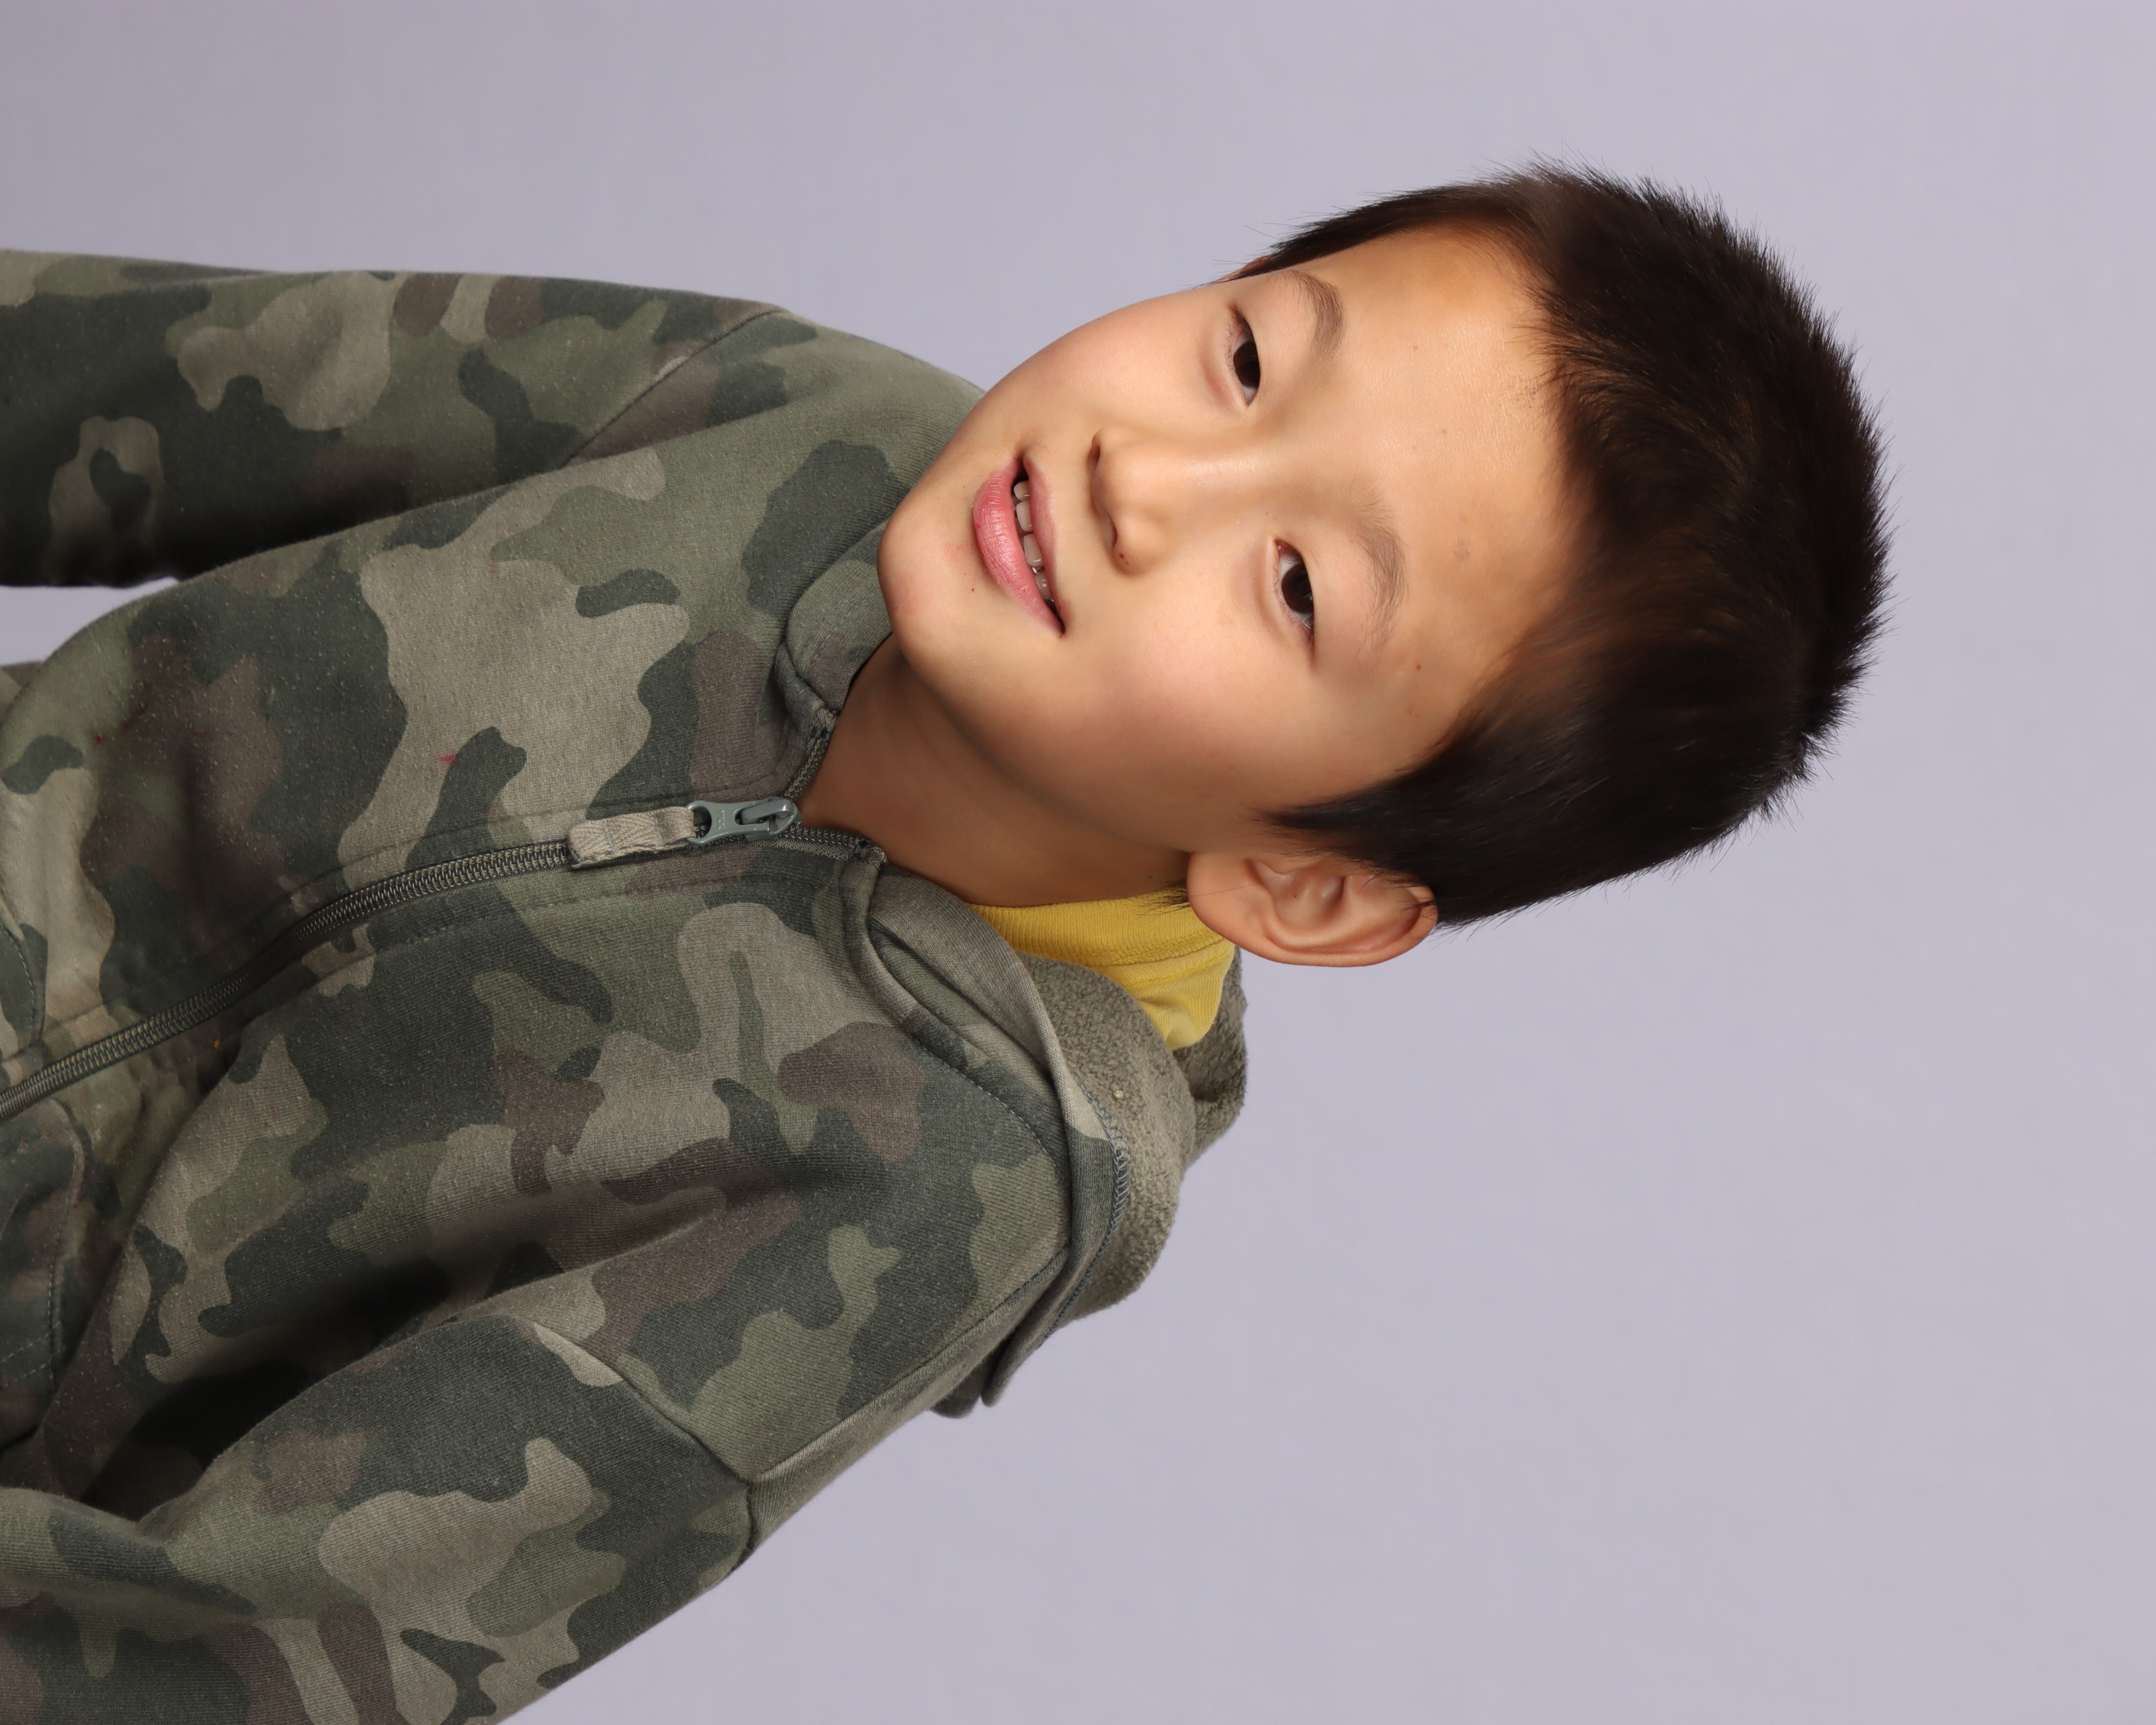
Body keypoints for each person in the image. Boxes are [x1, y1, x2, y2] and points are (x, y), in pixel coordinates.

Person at [0, 167, 1886, 1719]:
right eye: (1244, 358)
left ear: (1309, 884)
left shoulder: (939, 1175)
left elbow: (250, 1648)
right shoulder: (805, 423)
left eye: (1297, 582)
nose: (1147, 477)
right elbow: (149, 376)